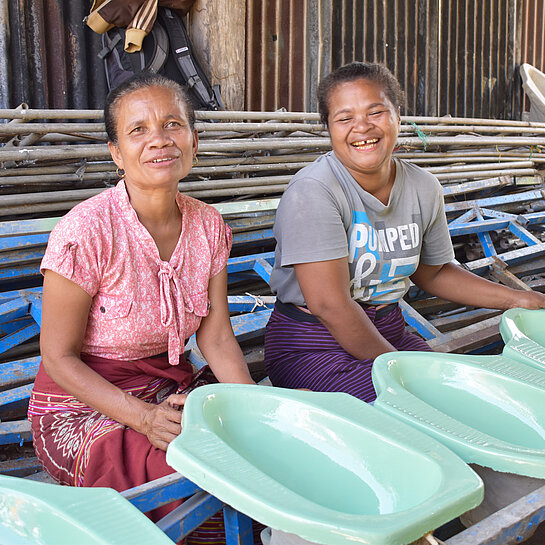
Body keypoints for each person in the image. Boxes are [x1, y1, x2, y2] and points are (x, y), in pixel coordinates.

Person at [28, 73, 257, 541]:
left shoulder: (208, 225)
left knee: (251, 440)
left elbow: (215, 337)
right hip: (85, 404)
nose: (160, 140)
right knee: (196, 476)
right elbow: (58, 357)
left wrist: (260, 409)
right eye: (138, 130)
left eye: (173, 124)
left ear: (193, 140)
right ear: (116, 153)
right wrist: (144, 418)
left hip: (167, 384)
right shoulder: (87, 231)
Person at [264, 61, 545, 403]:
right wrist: (404, 372)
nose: (361, 127)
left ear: (398, 114)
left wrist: (521, 299)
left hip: (389, 330)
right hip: (313, 344)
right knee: (419, 406)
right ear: (329, 127)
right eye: (344, 118)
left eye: (376, 112)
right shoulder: (314, 191)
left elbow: (435, 272)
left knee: (471, 396)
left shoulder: (422, 186)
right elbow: (331, 305)